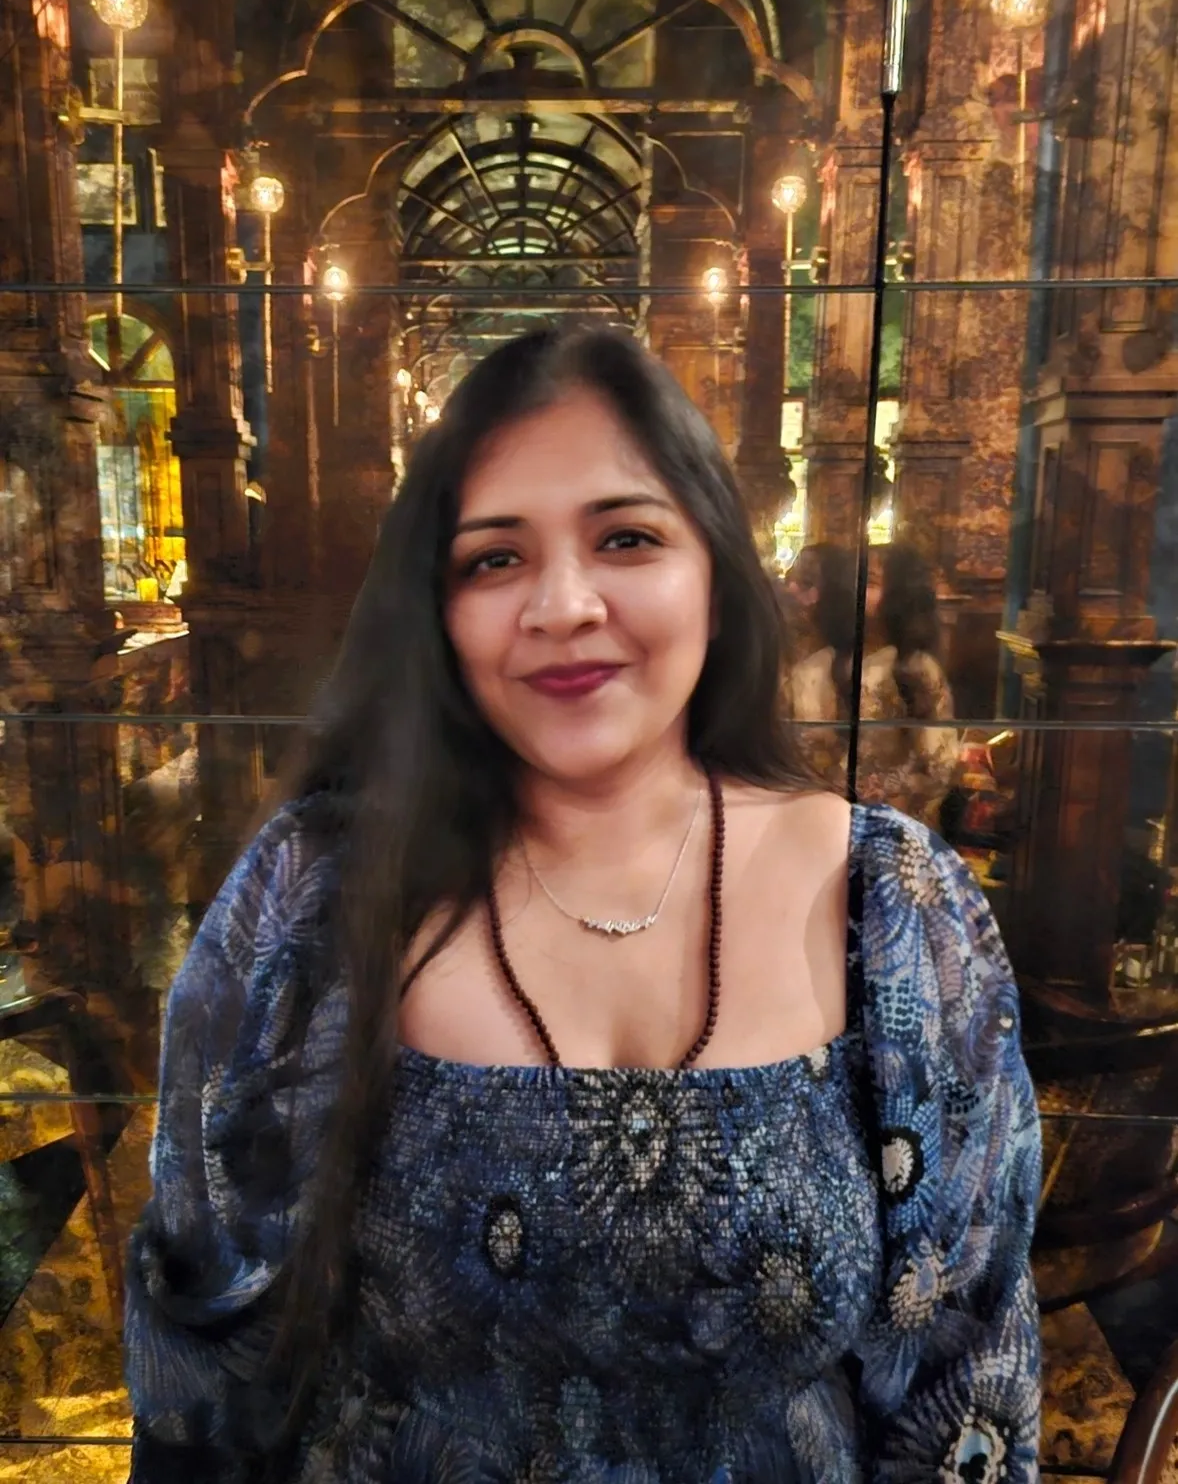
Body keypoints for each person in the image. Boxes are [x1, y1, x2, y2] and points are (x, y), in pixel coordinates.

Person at [124, 327, 1041, 1484]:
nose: (562, 604)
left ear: (714, 567)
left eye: (625, 538)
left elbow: (968, 1375)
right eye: (492, 560)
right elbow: (202, 1348)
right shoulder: (318, 897)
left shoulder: (892, 905)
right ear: (436, 612)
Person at [790, 542, 959, 826]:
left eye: (871, 583)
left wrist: (888, 800)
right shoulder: (815, 667)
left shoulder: (916, 669)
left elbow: (939, 764)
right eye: (853, 582)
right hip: (817, 819)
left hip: (890, 826)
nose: (855, 592)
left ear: (900, 596)